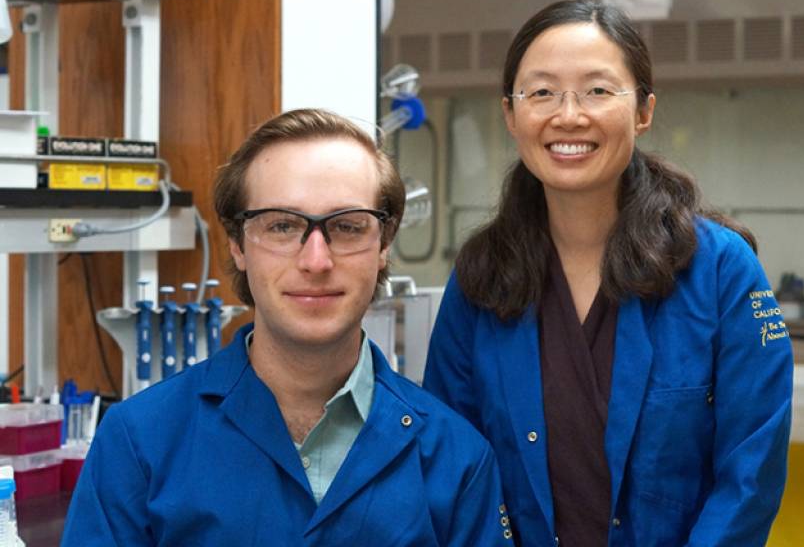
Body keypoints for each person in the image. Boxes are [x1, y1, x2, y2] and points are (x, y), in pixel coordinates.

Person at [423, 0, 793, 547]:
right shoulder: (482, 278)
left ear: (643, 111)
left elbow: (750, 472)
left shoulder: (719, 269)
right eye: (541, 92)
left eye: (598, 90)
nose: (568, 115)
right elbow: (452, 461)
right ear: (510, 114)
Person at [63, 108, 512, 546]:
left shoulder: (457, 460)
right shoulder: (139, 441)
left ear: (384, 245)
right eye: (281, 225)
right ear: (238, 244)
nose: (316, 261)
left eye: (348, 226)